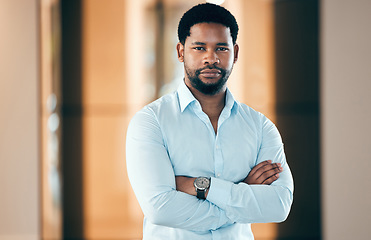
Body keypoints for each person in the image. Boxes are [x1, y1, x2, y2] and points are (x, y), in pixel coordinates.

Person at [126, 3, 293, 239]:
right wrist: (243, 193)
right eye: (200, 47)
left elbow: (279, 205)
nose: (211, 58)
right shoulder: (151, 122)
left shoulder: (260, 126)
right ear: (181, 51)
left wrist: (201, 186)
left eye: (221, 48)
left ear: (235, 53)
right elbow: (160, 208)